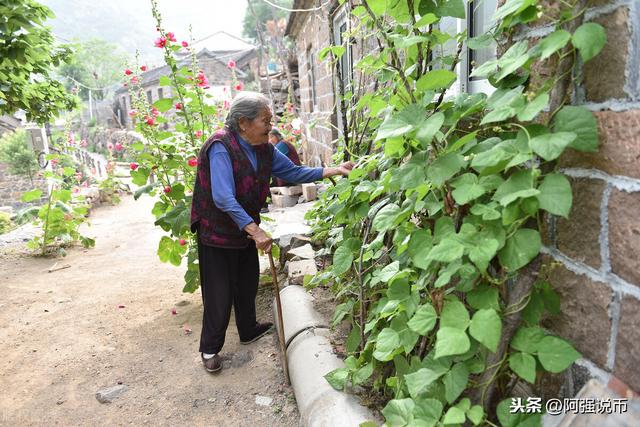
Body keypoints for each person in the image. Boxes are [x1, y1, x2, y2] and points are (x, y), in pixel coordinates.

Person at [190, 91, 354, 373]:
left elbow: (294, 172)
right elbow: (223, 197)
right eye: (265, 121)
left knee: (247, 280)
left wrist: (334, 170)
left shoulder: (264, 147)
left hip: (244, 228)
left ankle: (248, 328)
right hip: (216, 231)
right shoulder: (221, 146)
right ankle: (210, 348)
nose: (270, 126)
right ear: (243, 122)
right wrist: (255, 231)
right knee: (219, 292)